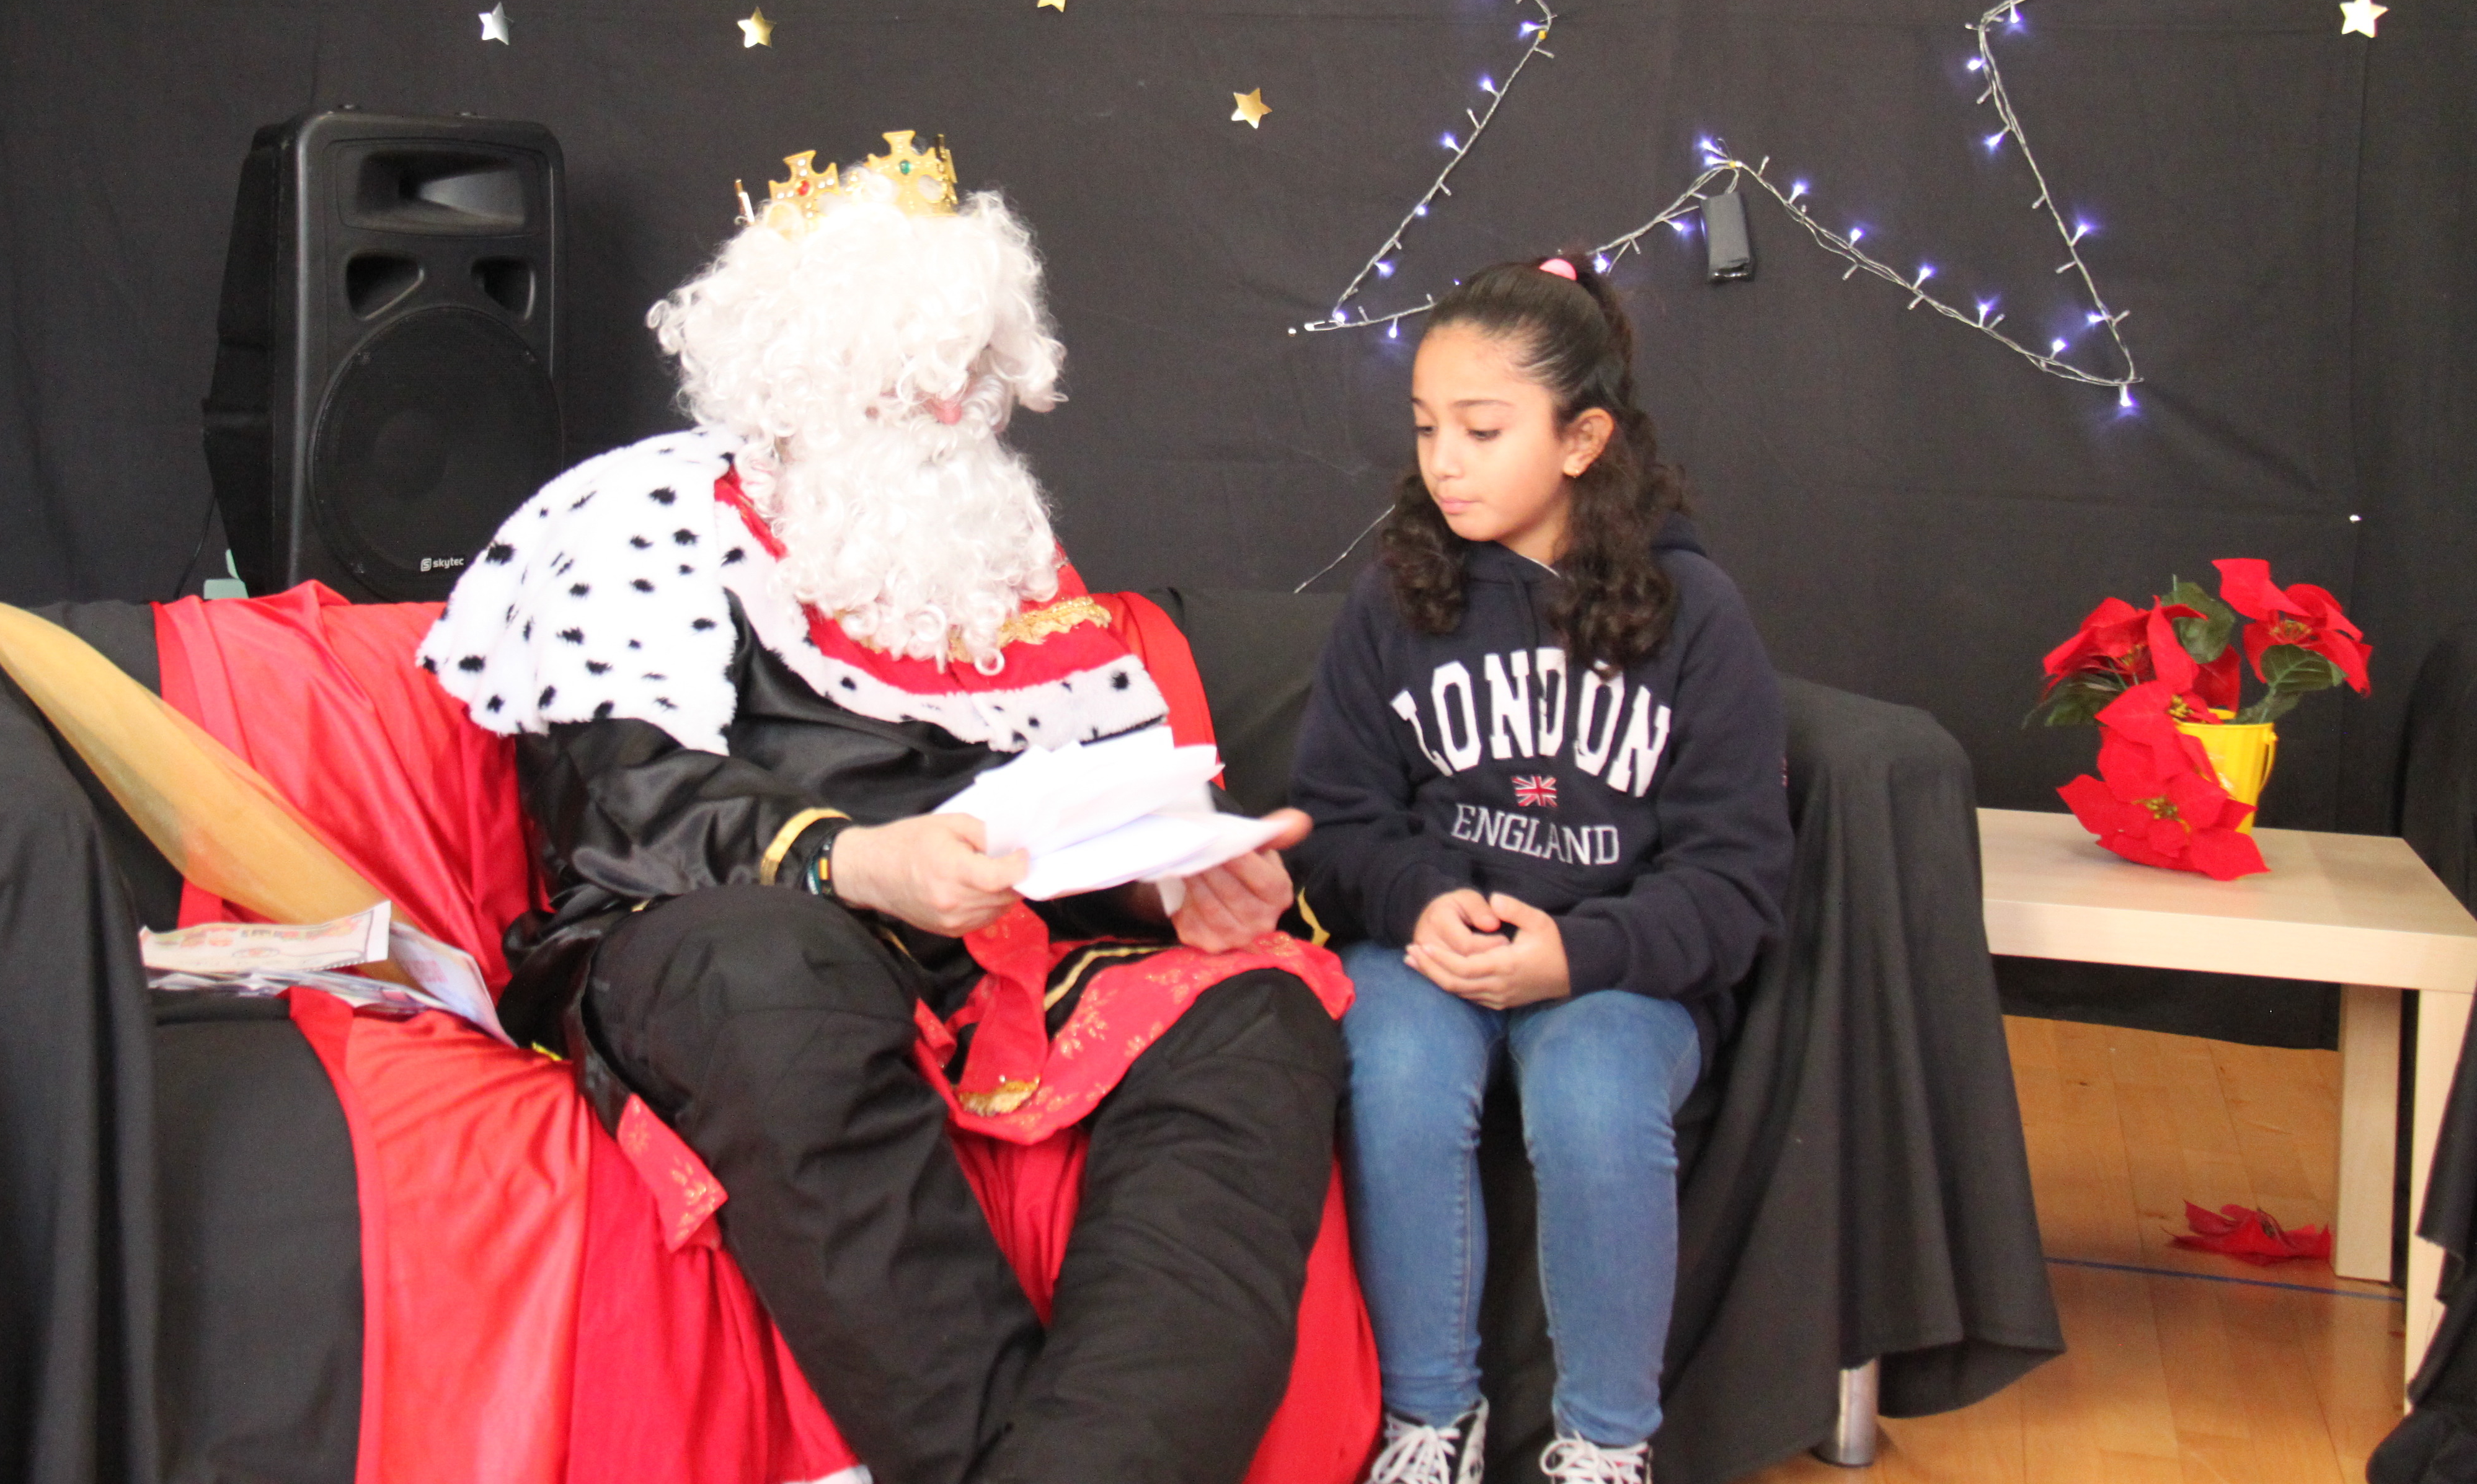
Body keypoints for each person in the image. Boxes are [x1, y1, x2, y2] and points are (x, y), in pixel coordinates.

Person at [414, 133, 1355, 1484]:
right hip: (724, 929)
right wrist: (857, 863)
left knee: (1258, 1010)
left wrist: (1179, 879)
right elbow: (619, 798)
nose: (951, 401)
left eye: (972, 365)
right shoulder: (641, 515)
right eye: (908, 366)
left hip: (989, 953)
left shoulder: (1004, 549)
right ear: (793, 368)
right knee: (771, 966)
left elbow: (1099, 786)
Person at [1287, 257, 1793, 1484]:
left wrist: (1581, 953)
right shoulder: (1394, 599)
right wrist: (1418, 898)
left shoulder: (1695, 613)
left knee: (1593, 1092)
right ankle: (1430, 1424)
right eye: (1426, 429)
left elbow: (1736, 881)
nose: (1443, 463)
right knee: (1393, 1066)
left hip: (1617, 970)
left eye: (1481, 430)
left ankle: (1607, 1446)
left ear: (1582, 440)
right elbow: (1336, 821)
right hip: (1432, 953)